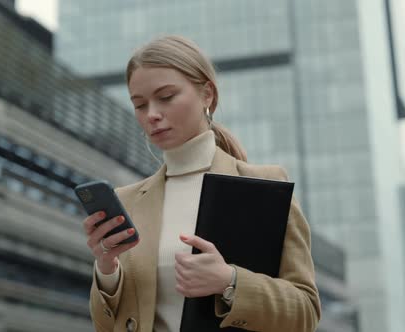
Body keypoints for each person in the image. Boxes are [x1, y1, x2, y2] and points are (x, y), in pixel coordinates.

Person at [82, 35, 321, 332]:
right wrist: (107, 269)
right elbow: (104, 327)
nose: (152, 115)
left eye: (166, 97)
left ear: (207, 93)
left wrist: (229, 281)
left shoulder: (264, 185)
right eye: (140, 104)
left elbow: (306, 312)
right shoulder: (128, 201)